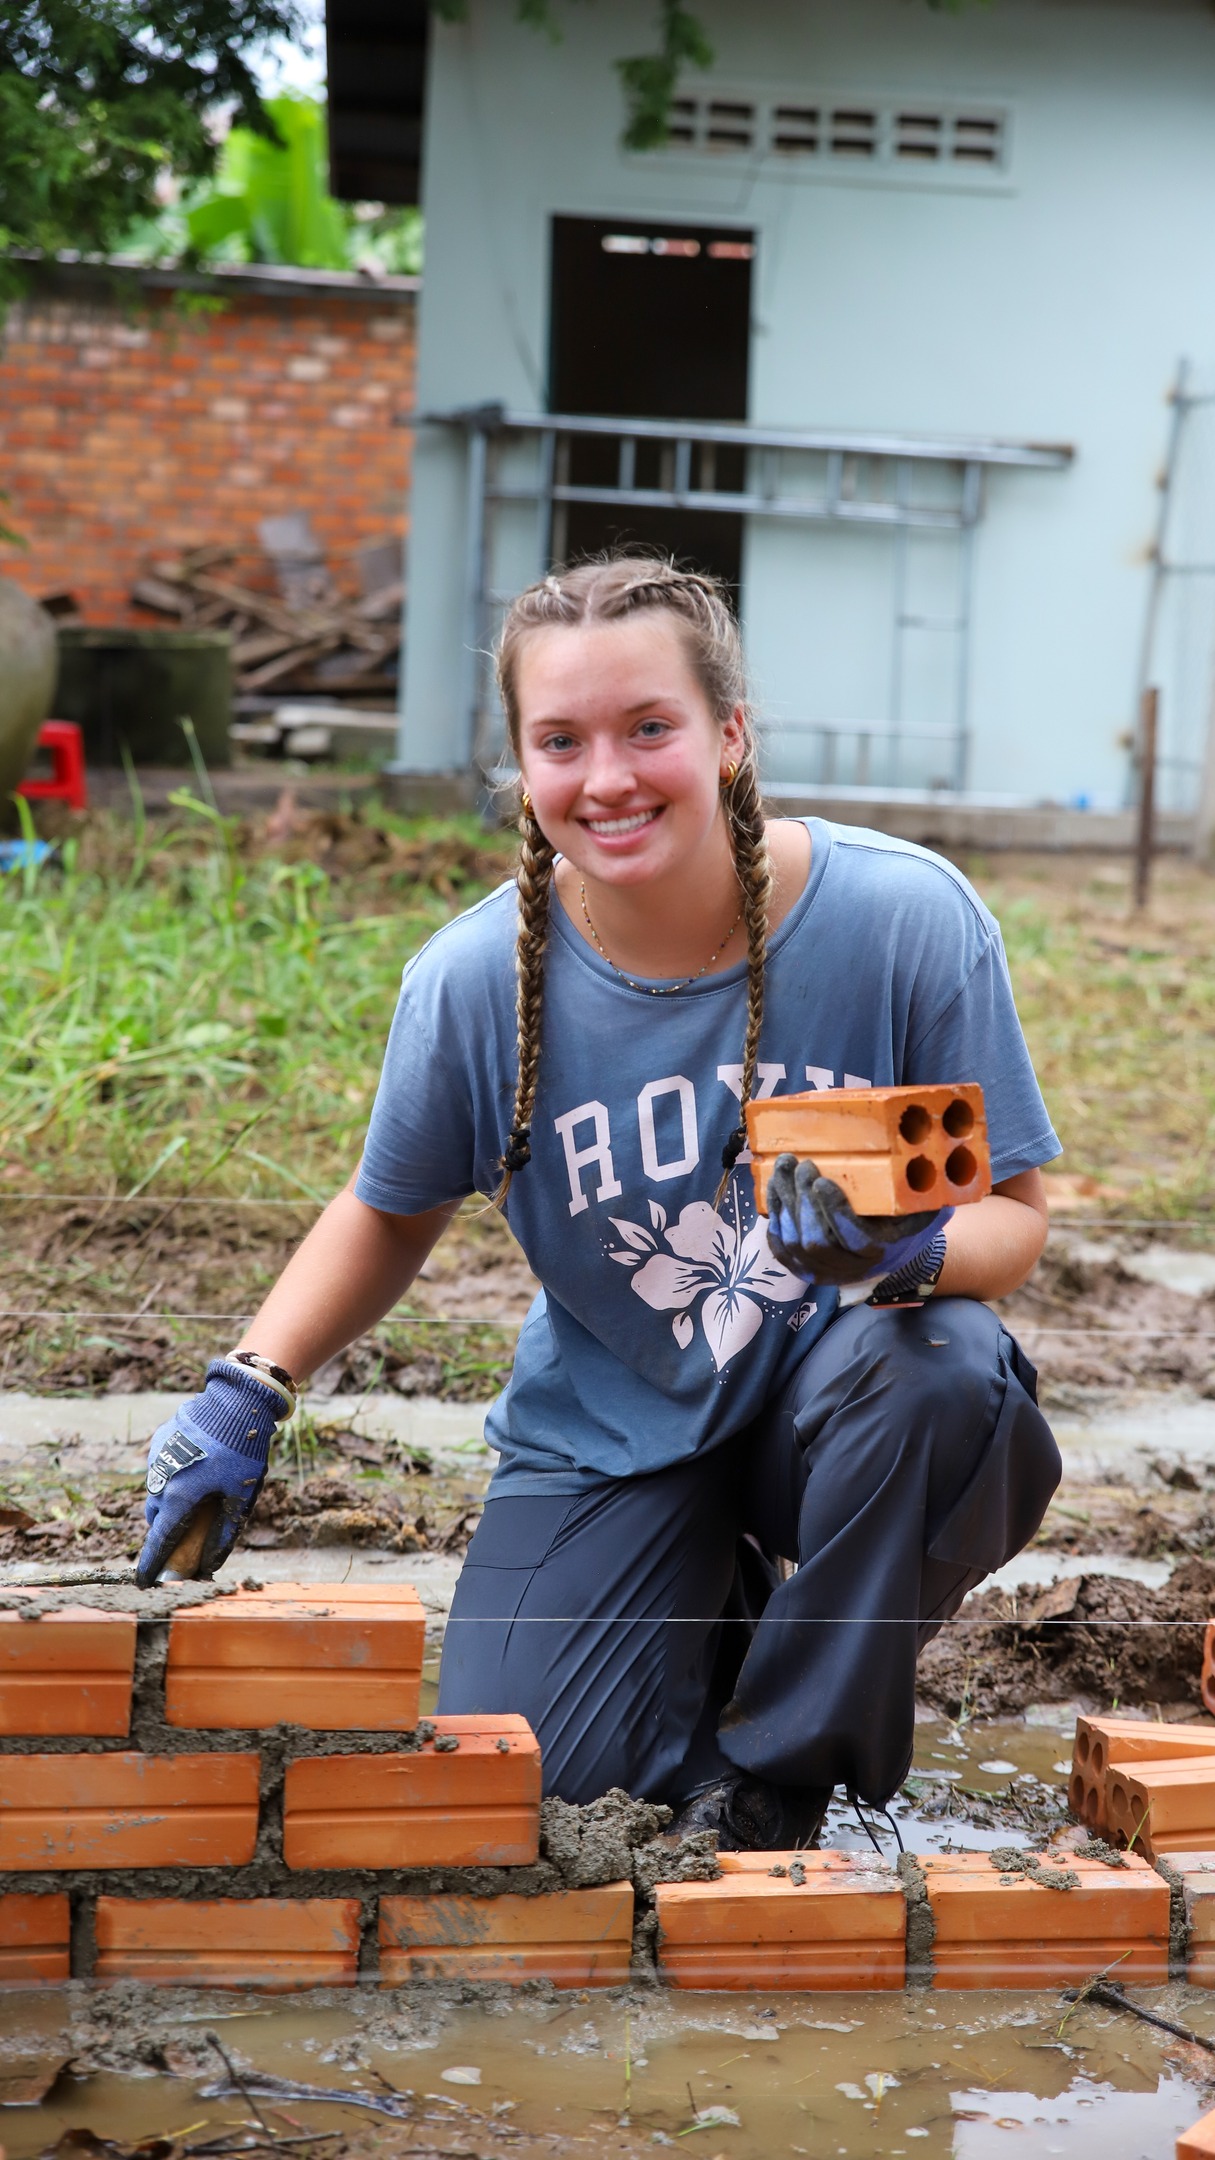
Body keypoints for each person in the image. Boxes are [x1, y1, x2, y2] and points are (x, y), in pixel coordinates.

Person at [138, 556, 1062, 1851]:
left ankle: (786, 1773)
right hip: (615, 1430)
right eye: (560, 741)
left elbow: (1016, 1219)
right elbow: (389, 1208)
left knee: (947, 1378)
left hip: (833, 1414)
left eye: (649, 729)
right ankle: (708, 1615)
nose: (608, 779)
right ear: (520, 763)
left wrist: (908, 1249)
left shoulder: (904, 921)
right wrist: (249, 1384)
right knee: (554, 1799)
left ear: (730, 736)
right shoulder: (471, 984)